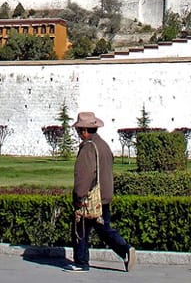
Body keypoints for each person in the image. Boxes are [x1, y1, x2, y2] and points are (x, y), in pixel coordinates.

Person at [67, 111, 135, 273]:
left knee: (80, 229)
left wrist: (79, 196)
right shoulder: (103, 145)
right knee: (104, 229)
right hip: (104, 196)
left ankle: (81, 262)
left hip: (90, 198)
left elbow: (84, 175)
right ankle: (125, 249)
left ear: (84, 130)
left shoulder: (88, 148)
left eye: (79, 130)